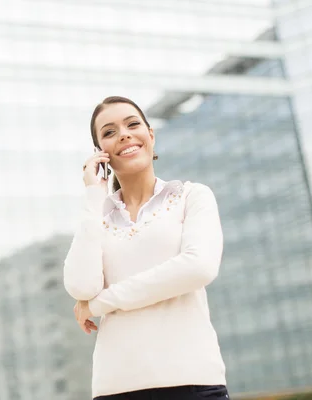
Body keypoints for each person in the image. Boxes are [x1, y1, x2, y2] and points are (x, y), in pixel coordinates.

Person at [63, 96, 230, 400]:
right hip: (116, 387)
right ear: (101, 153)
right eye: (109, 132)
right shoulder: (97, 215)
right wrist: (93, 195)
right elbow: (81, 287)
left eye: (132, 124)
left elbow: (197, 267)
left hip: (192, 382)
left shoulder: (191, 196)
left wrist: (100, 304)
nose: (124, 134)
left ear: (150, 135)